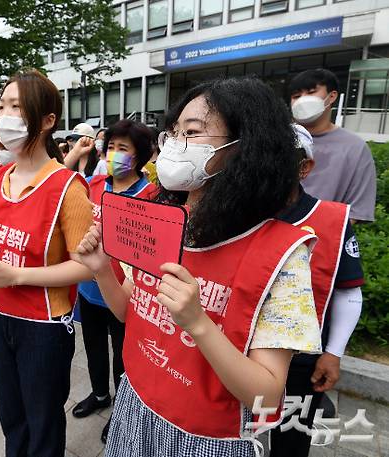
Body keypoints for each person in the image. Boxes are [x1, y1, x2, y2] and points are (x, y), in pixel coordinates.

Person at [76, 77, 322, 456]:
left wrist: (198, 323)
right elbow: (130, 311)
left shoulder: (284, 254)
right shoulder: (164, 220)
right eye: (173, 133)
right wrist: (102, 269)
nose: (175, 144)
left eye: (193, 132)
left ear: (245, 146)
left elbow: (269, 395)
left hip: (206, 438)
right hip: (135, 403)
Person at [0, 69, 94, 457]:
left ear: (48, 120)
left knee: (43, 419)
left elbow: (86, 267)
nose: (5, 115)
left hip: (44, 326)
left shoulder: (68, 187)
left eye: (17, 106)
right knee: (11, 413)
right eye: (2, 105)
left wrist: (16, 275)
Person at [269, 125, 364, 457]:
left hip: (301, 359)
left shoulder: (333, 221)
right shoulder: (239, 214)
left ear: (304, 167)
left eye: (281, 157)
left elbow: (348, 293)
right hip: (240, 351)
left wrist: (333, 353)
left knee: (291, 439)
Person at [72, 119, 157, 443]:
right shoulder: (94, 185)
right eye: (110, 148)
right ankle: (98, 394)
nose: (114, 155)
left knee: (123, 356)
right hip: (88, 287)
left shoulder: (150, 195)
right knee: (93, 347)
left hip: (124, 294)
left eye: (123, 149)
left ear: (140, 157)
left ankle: (122, 408)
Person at [289, 69, 376, 223]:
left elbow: (356, 212)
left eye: (311, 92)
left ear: (332, 96)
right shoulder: (275, 139)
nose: (302, 100)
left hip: (322, 239)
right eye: (296, 96)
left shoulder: (355, 148)